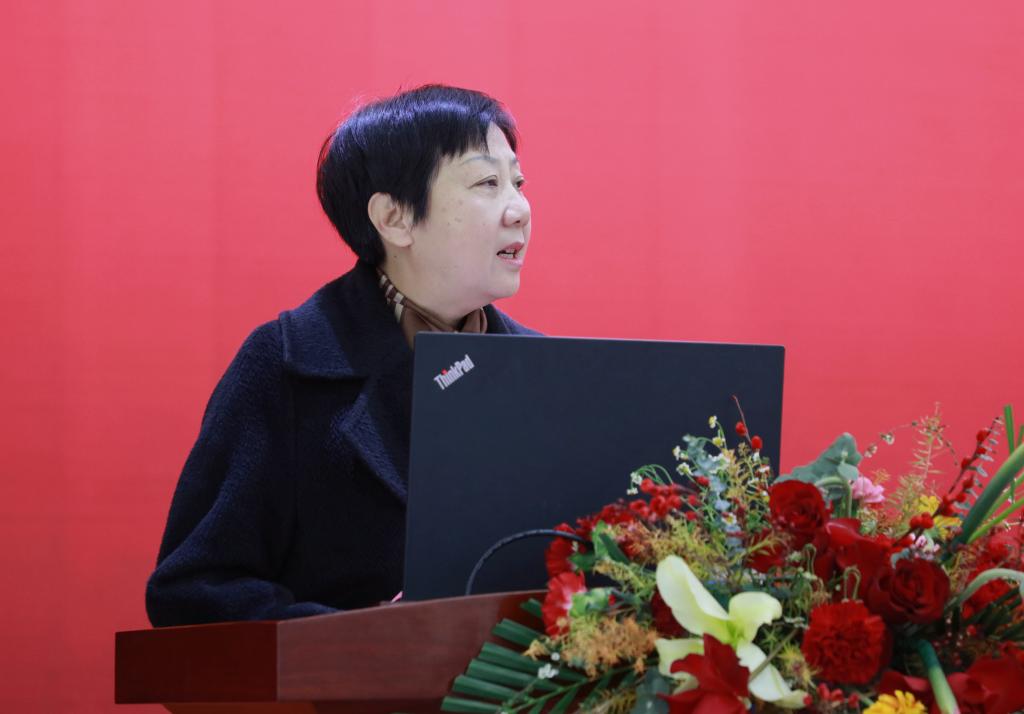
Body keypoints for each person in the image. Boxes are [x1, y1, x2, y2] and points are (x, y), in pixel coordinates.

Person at [146, 85, 539, 626]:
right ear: (394, 218)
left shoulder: (547, 375)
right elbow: (192, 590)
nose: (519, 209)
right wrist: (362, 638)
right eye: (487, 183)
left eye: (517, 182)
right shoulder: (285, 363)